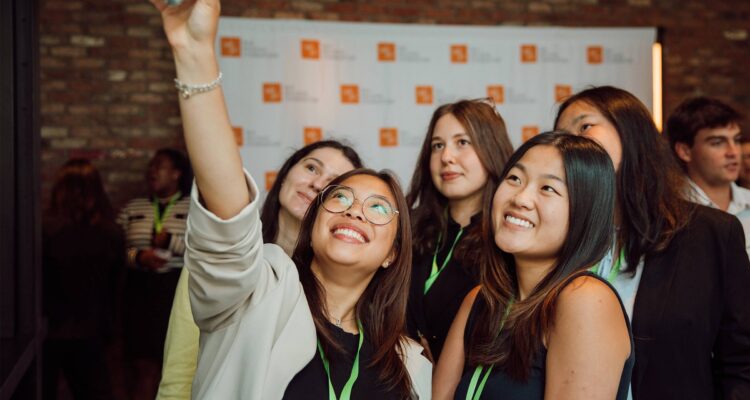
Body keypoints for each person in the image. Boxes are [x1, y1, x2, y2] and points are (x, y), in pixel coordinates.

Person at [150, 0, 431, 398]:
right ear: (313, 227)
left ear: (392, 253)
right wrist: (194, 54)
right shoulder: (257, 294)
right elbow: (228, 217)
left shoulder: (409, 366)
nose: (355, 209)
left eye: (379, 208)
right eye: (340, 198)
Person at [554, 86, 750, 399]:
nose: (569, 143)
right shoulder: (556, 236)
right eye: (560, 136)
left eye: (584, 126)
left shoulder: (709, 233)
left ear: (632, 133)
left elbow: (743, 365)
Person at [157, 140, 362, 399]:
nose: (317, 183)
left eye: (334, 184)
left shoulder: (337, 285)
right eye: (312, 168)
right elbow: (180, 367)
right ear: (286, 173)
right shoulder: (223, 256)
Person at [434, 132, 632, 399]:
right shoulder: (480, 300)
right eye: (514, 178)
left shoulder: (584, 299)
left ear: (584, 212)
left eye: (548, 188)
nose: (520, 198)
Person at [666, 97, 750, 396]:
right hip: (688, 367)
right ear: (685, 150)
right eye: (716, 142)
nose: (732, 152)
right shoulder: (667, 213)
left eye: (736, 140)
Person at [406, 99, 513, 362]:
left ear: (492, 148)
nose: (446, 157)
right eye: (438, 145)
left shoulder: (511, 237)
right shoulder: (407, 225)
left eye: (462, 142)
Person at [42, 159, 124, 400]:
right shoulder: (110, 233)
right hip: (93, 330)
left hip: (48, 329)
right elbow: (116, 288)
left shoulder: (45, 231)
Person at [117, 147, 193, 400]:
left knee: (174, 362)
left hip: (176, 291)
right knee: (141, 363)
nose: (152, 171)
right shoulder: (132, 207)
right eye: (151, 166)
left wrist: (170, 241)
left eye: (159, 166)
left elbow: (205, 251)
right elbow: (115, 251)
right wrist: (138, 257)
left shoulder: (194, 208)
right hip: (139, 291)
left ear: (176, 174)